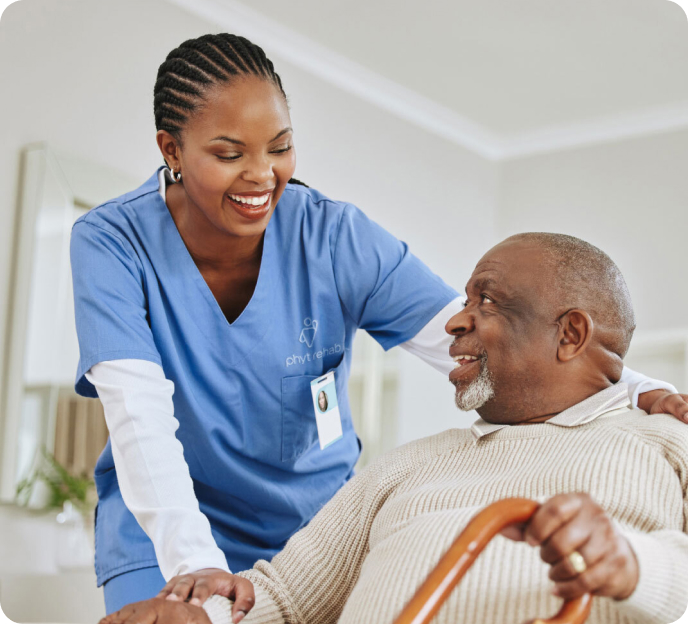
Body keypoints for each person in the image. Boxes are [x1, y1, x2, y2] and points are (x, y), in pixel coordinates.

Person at [70, 33, 686, 618]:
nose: (262, 176)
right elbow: (139, 417)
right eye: (230, 154)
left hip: (312, 532)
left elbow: (483, 344)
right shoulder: (112, 243)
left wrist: (629, 387)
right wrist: (196, 564)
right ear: (171, 149)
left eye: (280, 147)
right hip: (167, 527)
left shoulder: (333, 238)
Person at [101, 233, 688, 624]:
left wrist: (632, 561)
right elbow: (281, 602)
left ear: (570, 335)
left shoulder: (664, 439)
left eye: (486, 301)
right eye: (465, 299)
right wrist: (201, 617)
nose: (456, 320)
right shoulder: (408, 464)